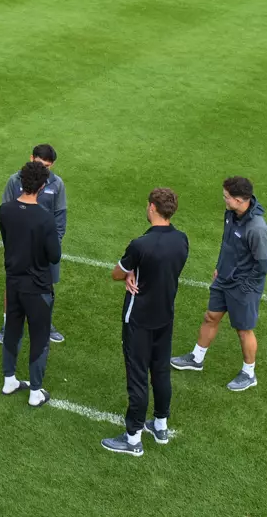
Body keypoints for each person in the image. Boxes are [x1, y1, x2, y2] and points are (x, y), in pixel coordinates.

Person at [102, 187, 190, 456]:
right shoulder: (181, 240)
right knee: (161, 372)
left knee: (138, 376)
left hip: (138, 319)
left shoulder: (140, 244)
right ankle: (160, 425)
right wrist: (135, 272)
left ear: (152, 207)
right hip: (165, 316)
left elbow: (117, 273)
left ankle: (132, 439)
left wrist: (130, 274)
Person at [172, 177, 267, 391]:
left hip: (242, 286)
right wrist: (220, 267)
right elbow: (227, 244)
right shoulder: (231, 214)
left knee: (243, 329)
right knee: (211, 316)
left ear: (239, 200)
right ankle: (196, 358)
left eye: (226, 197)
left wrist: (245, 287)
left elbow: (262, 265)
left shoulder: (256, 228)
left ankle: (249, 373)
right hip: (223, 279)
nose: (223, 200)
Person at [0, 160, 62, 408]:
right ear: (43, 185)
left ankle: (9, 380)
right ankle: (36, 391)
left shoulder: (5, 211)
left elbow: (8, 240)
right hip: (38, 287)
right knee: (40, 336)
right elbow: (54, 255)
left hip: (13, 282)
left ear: (21, 182)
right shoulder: (45, 220)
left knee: (12, 330)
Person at [0, 144, 66, 345]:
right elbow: (6, 212)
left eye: (46, 166)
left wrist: (55, 242)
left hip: (46, 248)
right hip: (20, 247)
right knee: (12, 285)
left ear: (52, 165)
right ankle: (8, 324)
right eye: (39, 164)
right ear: (31, 158)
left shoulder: (57, 184)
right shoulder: (15, 180)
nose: (42, 170)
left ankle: (47, 324)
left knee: (48, 286)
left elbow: (60, 216)